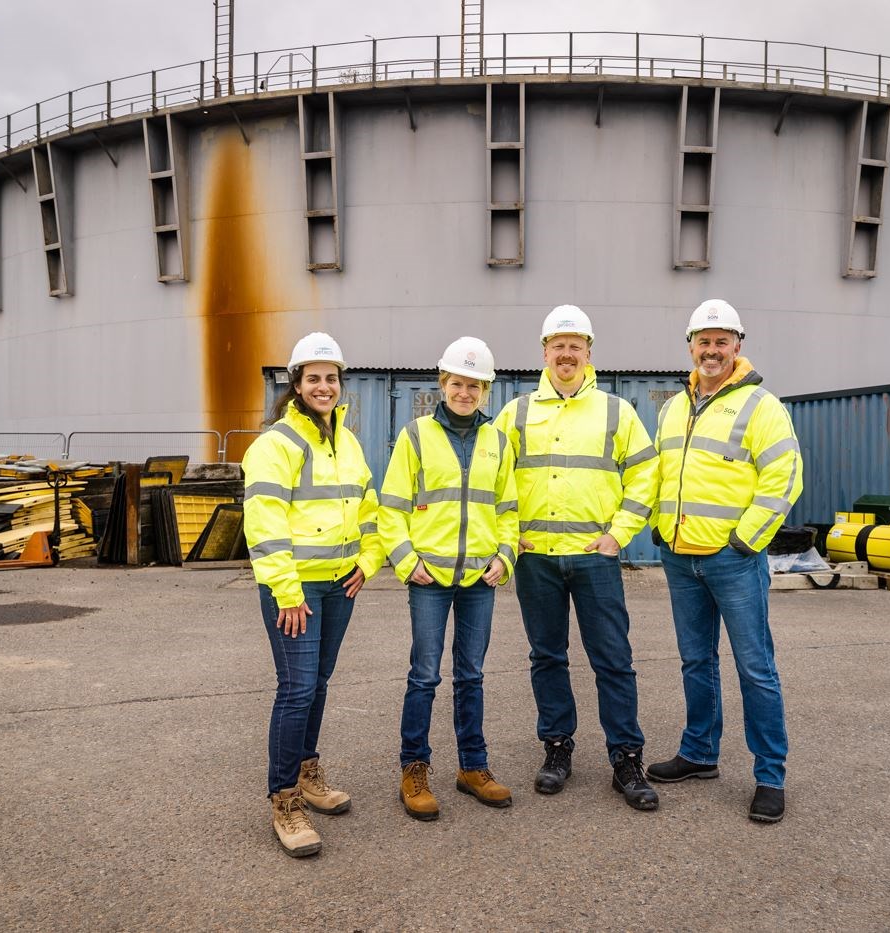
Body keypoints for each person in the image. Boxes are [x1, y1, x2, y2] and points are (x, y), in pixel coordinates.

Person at [494, 305, 661, 811]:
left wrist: (619, 535)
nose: (566, 354)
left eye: (576, 345)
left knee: (613, 659)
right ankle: (557, 748)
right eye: (557, 345)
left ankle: (626, 757)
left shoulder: (617, 411)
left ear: (589, 352)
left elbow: (645, 476)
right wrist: (511, 532)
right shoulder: (517, 413)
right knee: (547, 657)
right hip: (536, 559)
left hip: (595, 558)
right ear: (543, 351)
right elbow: (493, 477)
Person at [646, 299, 803, 823]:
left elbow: (784, 477)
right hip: (679, 556)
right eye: (703, 341)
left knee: (755, 668)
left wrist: (743, 542)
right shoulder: (672, 407)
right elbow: (657, 476)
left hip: (732, 560)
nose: (711, 351)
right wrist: (658, 528)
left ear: (738, 345)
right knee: (696, 661)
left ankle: (770, 775)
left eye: (721, 341)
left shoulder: (762, 406)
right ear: (690, 346)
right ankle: (699, 753)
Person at [242, 332, 385, 857]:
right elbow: (264, 524)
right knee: (297, 688)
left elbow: (369, 509)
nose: (324, 386)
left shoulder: (347, 443)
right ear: (295, 385)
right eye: (314, 378)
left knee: (318, 683)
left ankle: (306, 773)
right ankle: (284, 799)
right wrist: (286, 589)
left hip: (338, 586)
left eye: (331, 378)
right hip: (295, 591)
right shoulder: (275, 445)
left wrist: (368, 562)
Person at [379, 337, 520, 821]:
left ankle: (472, 768)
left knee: (472, 675)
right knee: (424, 675)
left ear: (486, 389)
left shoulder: (498, 440)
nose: (465, 392)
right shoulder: (416, 435)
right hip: (428, 579)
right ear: (443, 384)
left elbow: (508, 508)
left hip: (481, 577)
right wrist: (404, 560)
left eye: (474, 385)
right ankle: (413, 770)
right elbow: (392, 506)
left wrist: (506, 554)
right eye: (457, 383)